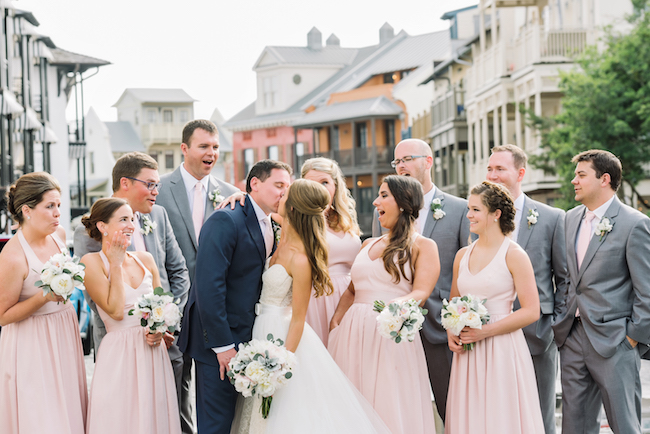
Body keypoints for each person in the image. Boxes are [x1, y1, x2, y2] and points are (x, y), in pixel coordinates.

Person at [230, 179, 391, 434]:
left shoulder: (301, 258)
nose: (280, 197)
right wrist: (237, 195)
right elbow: (257, 205)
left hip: (282, 338)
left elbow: (298, 318)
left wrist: (280, 364)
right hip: (260, 330)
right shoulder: (280, 233)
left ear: (292, 208)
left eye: (285, 195)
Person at [178, 160, 292, 434]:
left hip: (252, 338)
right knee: (216, 424)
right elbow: (208, 286)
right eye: (278, 185)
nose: (283, 194)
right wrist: (223, 346)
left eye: (287, 187)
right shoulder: (226, 219)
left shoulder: (273, 223)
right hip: (218, 343)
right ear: (255, 183)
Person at [74, 151, 190, 418]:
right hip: (117, 338)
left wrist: (165, 322)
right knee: (122, 414)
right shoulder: (89, 230)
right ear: (125, 183)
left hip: (162, 339)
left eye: (157, 185)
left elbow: (178, 271)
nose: (155, 191)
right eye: (149, 184)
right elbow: (95, 295)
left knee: (169, 410)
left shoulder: (158, 216)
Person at [329, 175, 440, 434]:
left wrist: (393, 308)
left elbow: (422, 291)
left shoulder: (423, 246)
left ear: (403, 203)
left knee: (389, 402)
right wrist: (336, 320)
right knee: (353, 400)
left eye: (383, 195)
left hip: (390, 335)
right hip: (352, 336)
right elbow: (352, 290)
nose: (376, 202)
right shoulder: (368, 243)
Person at [372, 138, 470, 423]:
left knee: (450, 406)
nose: (401, 165)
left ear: (428, 161)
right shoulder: (383, 209)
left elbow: (465, 269)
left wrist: (459, 320)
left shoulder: (460, 209)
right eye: (397, 161)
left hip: (440, 327)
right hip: (392, 329)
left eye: (407, 159)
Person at [552, 150, 650, 434]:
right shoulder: (569, 219)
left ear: (604, 179)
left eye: (581, 175)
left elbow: (647, 289)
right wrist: (562, 323)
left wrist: (632, 337)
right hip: (572, 338)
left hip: (616, 341)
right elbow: (568, 278)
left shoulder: (635, 224)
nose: (574, 181)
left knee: (624, 425)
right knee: (574, 425)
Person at [222, 157, 362, 346]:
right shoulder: (292, 219)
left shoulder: (347, 219)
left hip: (347, 297)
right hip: (314, 298)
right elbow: (261, 209)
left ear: (336, 185)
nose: (318, 188)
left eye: (324, 182)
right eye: (311, 183)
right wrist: (242, 197)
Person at [156, 119, 239, 434]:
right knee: (173, 385)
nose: (212, 153)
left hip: (212, 311)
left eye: (216, 147)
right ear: (184, 148)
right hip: (172, 307)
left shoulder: (232, 195)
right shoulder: (159, 189)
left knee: (208, 391)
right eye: (204, 146)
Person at [445, 181, 543, 433]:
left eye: (476, 210)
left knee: (501, 415)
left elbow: (531, 310)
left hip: (501, 349)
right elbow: (454, 302)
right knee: (471, 415)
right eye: (469, 208)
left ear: (496, 214)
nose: (469, 215)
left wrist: (486, 332)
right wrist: (451, 331)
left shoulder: (514, 254)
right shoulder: (462, 255)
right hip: (468, 351)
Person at [486, 144, 567, 433]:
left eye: (500, 169)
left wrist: (555, 326)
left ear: (520, 173)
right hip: (490, 337)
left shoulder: (551, 218)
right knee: (498, 414)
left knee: (540, 415)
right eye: (490, 168)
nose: (493, 175)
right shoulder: (477, 217)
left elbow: (565, 279)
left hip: (537, 335)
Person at [81, 198, 181, 433]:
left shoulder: (145, 259)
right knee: (121, 418)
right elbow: (115, 311)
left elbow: (162, 306)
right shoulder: (91, 262)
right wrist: (115, 264)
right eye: (123, 219)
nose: (131, 225)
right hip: (119, 354)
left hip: (152, 353)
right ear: (102, 227)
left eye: (132, 219)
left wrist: (160, 331)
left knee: (153, 416)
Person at [0, 172, 88, 434]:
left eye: (58, 205)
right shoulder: (13, 256)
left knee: (67, 408)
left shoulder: (59, 235)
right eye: (49, 206)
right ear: (27, 210)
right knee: (40, 415)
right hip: (32, 342)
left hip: (63, 330)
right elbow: (2, 315)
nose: (57, 213)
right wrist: (44, 296)